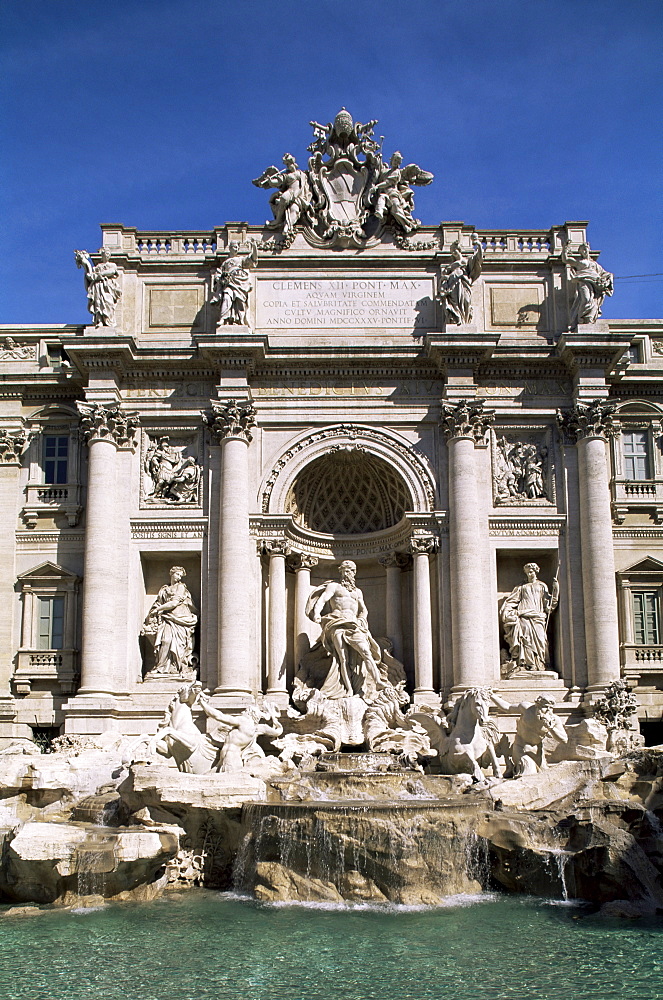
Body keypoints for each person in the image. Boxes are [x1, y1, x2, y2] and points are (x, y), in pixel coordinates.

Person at [305, 560, 384, 699]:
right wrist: (317, 614)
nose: (348, 573)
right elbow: (322, 600)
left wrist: (362, 620)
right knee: (343, 658)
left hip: (354, 625)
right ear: (341, 572)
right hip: (337, 623)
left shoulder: (357, 592)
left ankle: (378, 681)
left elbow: (363, 610)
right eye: (345, 570)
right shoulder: (334, 586)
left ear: (354, 573)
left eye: (351, 570)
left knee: (366, 652)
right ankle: (348, 689)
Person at [490, 692, 567, 776]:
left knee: (543, 776)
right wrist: (492, 696)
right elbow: (507, 708)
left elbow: (564, 740)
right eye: (545, 707)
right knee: (529, 771)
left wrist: (551, 728)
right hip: (521, 747)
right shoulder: (526, 709)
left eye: (551, 708)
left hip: (537, 751)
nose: (548, 710)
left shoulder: (554, 720)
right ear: (537, 705)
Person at [198, 697, 283, 773]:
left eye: (245, 711)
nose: (242, 712)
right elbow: (278, 731)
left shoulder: (243, 721)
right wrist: (275, 721)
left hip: (230, 761)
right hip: (227, 760)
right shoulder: (256, 729)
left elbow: (219, 716)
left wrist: (203, 704)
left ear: (250, 713)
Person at [500, 562, 558, 672]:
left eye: (531, 572)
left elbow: (549, 606)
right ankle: (527, 664)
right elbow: (512, 600)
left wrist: (555, 591)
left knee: (541, 640)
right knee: (525, 640)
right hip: (524, 616)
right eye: (528, 572)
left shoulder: (542, 586)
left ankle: (540, 663)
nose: (530, 574)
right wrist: (507, 611)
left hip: (538, 616)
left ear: (536, 572)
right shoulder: (521, 587)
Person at [142, 566, 198, 676]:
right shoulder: (164, 589)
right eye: (177, 574)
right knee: (165, 641)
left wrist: (159, 609)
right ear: (171, 573)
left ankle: (176, 667)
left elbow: (174, 603)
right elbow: (159, 602)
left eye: (181, 576)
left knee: (178, 645)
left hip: (180, 619)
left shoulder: (181, 587)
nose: (179, 577)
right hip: (167, 618)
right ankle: (161, 667)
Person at [255, 153, 313, 234]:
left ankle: (288, 226)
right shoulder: (286, 175)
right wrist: (270, 181)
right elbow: (278, 181)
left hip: (299, 196)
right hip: (290, 192)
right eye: (287, 164)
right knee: (283, 198)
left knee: (294, 210)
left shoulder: (302, 174)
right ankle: (278, 220)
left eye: (289, 164)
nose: (289, 166)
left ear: (294, 164)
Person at [563, 241, 613, 327]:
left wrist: (608, 278)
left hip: (595, 283)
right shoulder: (579, 262)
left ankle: (589, 318)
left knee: (593, 300)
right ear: (581, 252)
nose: (585, 252)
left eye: (586, 250)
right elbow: (565, 259)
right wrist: (565, 249)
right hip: (583, 281)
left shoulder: (595, 264)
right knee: (586, 299)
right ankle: (581, 318)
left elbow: (604, 273)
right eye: (583, 250)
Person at [210, 239, 258, 325]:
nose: (236, 249)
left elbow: (253, 259)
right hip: (229, 282)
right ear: (230, 248)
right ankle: (223, 318)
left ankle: (239, 320)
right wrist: (220, 278)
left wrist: (254, 247)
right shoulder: (225, 263)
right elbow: (218, 274)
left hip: (240, 282)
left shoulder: (241, 259)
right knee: (226, 298)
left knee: (240, 301)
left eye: (237, 247)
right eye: (234, 247)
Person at [438, 238, 482, 324]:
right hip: (453, 286)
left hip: (463, 284)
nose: (453, 252)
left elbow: (478, 259)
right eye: (452, 251)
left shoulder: (467, 261)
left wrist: (479, 246)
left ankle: (464, 320)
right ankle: (457, 319)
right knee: (455, 304)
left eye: (455, 250)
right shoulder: (450, 266)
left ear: (459, 250)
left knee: (466, 301)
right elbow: (444, 276)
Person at [74, 248, 122, 327]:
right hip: (98, 286)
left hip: (108, 287)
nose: (106, 255)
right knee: (98, 303)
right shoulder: (98, 266)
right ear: (102, 255)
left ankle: (108, 321)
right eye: (104, 254)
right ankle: (99, 320)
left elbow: (112, 271)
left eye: (107, 254)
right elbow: (90, 274)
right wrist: (85, 262)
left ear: (109, 255)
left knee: (108, 302)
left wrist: (101, 274)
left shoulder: (112, 265)